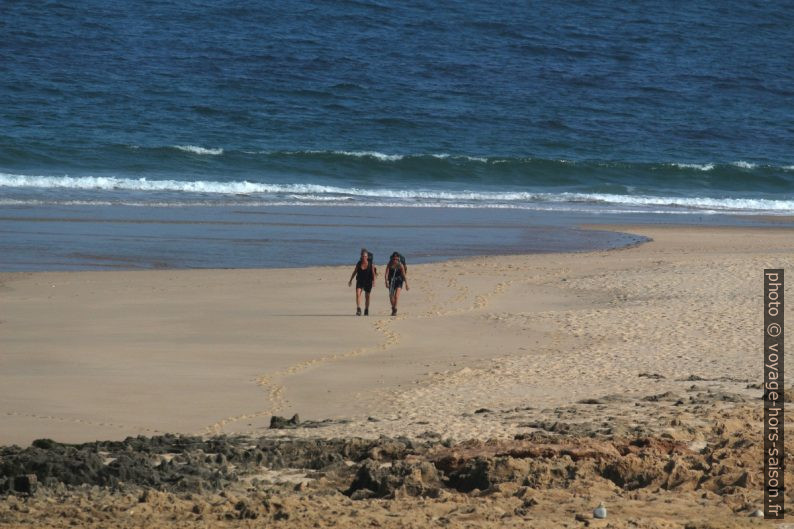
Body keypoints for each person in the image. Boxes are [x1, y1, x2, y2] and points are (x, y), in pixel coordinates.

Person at [348, 248, 377, 315]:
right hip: (360, 280)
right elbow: (355, 272)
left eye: (365, 256)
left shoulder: (371, 265)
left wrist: (374, 281)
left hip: (368, 281)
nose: (364, 257)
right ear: (361, 256)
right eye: (363, 256)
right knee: (358, 294)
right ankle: (358, 309)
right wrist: (350, 280)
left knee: (367, 296)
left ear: (367, 257)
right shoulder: (359, 264)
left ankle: (366, 309)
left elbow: (373, 274)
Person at [385, 251, 408, 316]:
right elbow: (386, 273)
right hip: (391, 281)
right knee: (391, 296)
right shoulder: (389, 264)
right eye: (394, 259)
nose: (395, 260)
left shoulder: (400, 265)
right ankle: (393, 308)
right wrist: (386, 281)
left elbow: (403, 274)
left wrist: (406, 284)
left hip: (399, 280)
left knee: (396, 296)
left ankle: (395, 309)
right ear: (392, 259)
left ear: (398, 259)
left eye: (396, 259)